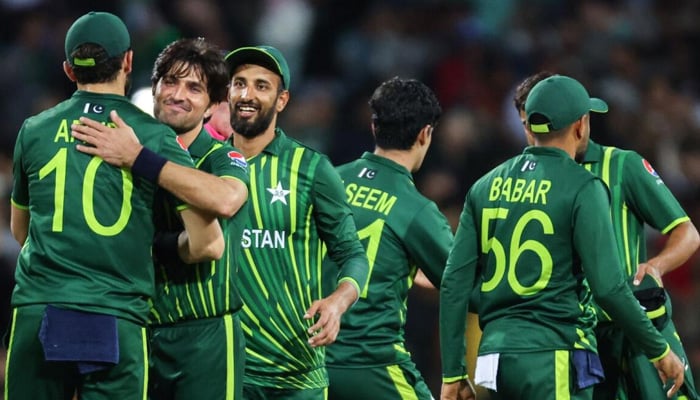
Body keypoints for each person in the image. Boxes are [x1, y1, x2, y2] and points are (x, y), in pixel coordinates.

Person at [6, 12, 224, 400]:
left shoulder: (34, 130)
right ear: (128, 62)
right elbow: (208, 244)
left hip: (40, 308)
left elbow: (21, 231)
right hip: (116, 314)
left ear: (69, 70)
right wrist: (159, 248)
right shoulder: (153, 137)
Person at [439, 75, 686, 400]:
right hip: (554, 349)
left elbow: (453, 284)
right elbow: (609, 288)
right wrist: (658, 350)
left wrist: (453, 372)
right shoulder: (583, 185)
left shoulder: (485, 186)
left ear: (530, 126)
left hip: (494, 358)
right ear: (581, 124)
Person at [514, 72, 700, 400]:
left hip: (637, 331)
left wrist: (657, 264)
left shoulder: (622, 165)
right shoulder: (523, 183)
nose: (533, 134)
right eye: (527, 125)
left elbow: (687, 233)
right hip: (575, 341)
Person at [224, 45, 369, 399]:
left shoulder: (312, 169)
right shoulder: (203, 164)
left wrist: (337, 301)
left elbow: (353, 254)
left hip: (295, 373)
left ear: (282, 100)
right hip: (224, 368)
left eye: (262, 86)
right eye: (239, 83)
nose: (247, 94)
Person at [323, 77, 454, 400]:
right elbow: (465, 286)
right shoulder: (416, 209)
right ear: (425, 134)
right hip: (371, 363)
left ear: (373, 126)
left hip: (307, 362)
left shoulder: (328, 181)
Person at [144, 38, 249, 399]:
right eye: (170, 82)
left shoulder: (224, 157)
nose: (178, 94)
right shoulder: (127, 152)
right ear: (154, 87)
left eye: (194, 88)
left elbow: (229, 200)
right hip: (143, 329)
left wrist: (157, 246)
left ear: (211, 107)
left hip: (208, 335)